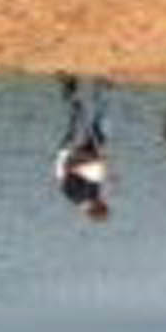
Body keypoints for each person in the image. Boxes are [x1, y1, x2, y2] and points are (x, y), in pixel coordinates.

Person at [54, 75, 111, 222]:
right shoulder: (94, 195)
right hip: (87, 157)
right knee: (101, 130)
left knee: (78, 118)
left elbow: (69, 170)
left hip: (69, 155)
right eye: (104, 202)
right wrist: (102, 168)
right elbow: (96, 177)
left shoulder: (75, 195)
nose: (103, 199)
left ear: (94, 207)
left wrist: (91, 163)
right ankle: (101, 89)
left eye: (102, 203)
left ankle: (70, 88)